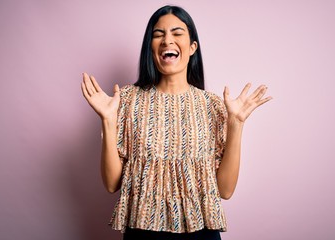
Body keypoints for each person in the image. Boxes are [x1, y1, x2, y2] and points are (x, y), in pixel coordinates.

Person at [81, 5, 272, 240]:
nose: (166, 40)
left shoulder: (211, 104)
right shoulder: (127, 101)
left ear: (192, 47)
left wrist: (237, 123)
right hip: (142, 232)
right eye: (158, 34)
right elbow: (111, 184)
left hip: (201, 233)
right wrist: (108, 120)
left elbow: (225, 190)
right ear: (150, 48)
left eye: (177, 33)